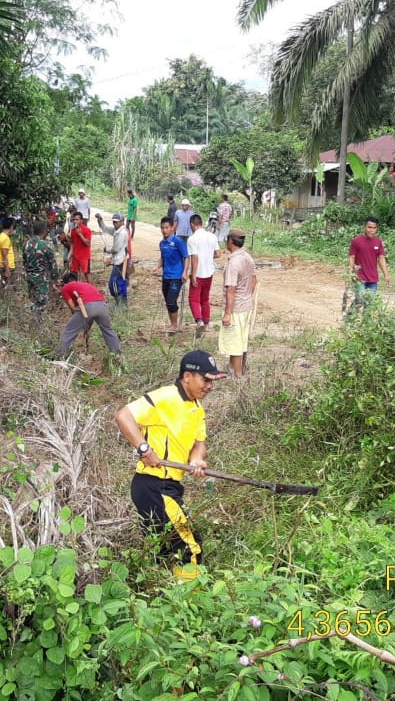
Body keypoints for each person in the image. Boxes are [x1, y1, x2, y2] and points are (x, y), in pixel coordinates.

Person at [114, 350, 226, 583]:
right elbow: (124, 416)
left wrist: (196, 460)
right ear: (187, 376)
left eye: (212, 381)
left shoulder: (197, 408)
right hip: (154, 486)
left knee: (163, 551)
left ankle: (163, 601)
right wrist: (143, 449)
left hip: (170, 487)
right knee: (190, 548)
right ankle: (189, 603)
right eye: (205, 380)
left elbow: (199, 443)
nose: (209, 386)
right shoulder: (165, 397)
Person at [56, 272, 121, 359]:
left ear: (65, 282)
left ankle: (60, 356)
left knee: (69, 332)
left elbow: (73, 308)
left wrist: (79, 322)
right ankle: (117, 355)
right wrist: (87, 327)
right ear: (76, 280)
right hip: (102, 305)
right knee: (108, 330)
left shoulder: (65, 288)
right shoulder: (86, 284)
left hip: (86, 307)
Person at [219, 231, 258, 378]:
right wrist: (247, 296)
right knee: (241, 340)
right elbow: (254, 281)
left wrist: (228, 313)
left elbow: (231, 289)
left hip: (236, 308)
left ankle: (238, 375)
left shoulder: (233, 263)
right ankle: (231, 367)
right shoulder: (247, 257)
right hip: (246, 305)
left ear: (230, 241)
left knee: (235, 343)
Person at [347, 216, 391, 316]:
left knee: (369, 304)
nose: (371, 230)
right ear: (365, 227)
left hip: (373, 279)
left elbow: (381, 258)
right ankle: (348, 319)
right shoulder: (356, 241)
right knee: (360, 300)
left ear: (377, 228)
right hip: (359, 277)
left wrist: (386, 275)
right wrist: (351, 273)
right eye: (369, 227)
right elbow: (352, 257)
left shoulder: (378, 242)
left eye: (374, 228)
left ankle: (365, 326)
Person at [153, 217, 189, 333]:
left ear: (172, 228)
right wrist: (158, 267)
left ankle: (174, 325)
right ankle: (172, 324)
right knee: (168, 301)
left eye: (167, 228)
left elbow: (186, 257)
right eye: (162, 228)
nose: (164, 230)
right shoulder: (162, 243)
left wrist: (185, 272)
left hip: (176, 277)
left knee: (171, 300)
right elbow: (162, 258)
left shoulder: (178, 241)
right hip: (166, 276)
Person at [186, 214, 220, 336]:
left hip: (199, 273)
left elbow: (194, 258)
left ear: (192, 224)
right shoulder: (212, 236)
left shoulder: (192, 239)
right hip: (209, 272)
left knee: (193, 299)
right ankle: (206, 324)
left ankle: (199, 321)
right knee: (205, 299)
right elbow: (218, 254)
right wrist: (207, 255)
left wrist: (193, 275)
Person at [22, 221, 58, 310]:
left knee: (32, 299)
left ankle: (32, 319)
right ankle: (39, 321)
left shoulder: (26, 244)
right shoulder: (46, 245)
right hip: (41, 278)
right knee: (41, 302)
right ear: (44, 232)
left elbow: (24, 261)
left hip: (29, 276)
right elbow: (52, 264)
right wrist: (55, 278)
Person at [106, 213, 130, 307]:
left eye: (116, 222)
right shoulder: (118, 231)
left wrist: (107, 250)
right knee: (120, 283)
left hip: (121, 262)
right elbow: (107, 229)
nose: (114, 224)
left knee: (114, 284)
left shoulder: (122, 233)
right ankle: (122, 303)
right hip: (119, 261)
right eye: (113, 222)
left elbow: (115, 249)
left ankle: (121, 304)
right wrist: (100, 221)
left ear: (121, 222)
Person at [69, 210, 93, 284]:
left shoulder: (87, 230)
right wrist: (70, 255)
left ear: (81, 220)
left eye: (77, 219)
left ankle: (91, 290)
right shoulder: (73, 231)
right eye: (74, 220)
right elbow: (72, 243)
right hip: (76, 256)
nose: (75, 221)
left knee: (86, 274)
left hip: (84, 256)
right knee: (75, 273)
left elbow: (88, 243)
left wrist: (80, 234)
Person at [0, 217, 15, 287]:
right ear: (11, 227)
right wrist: (7, 270)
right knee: (8, 287)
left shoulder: (1, 236)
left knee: (4, 286)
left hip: (3, 265)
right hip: (7, 266)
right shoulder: (5, 239)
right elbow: (5, 255)